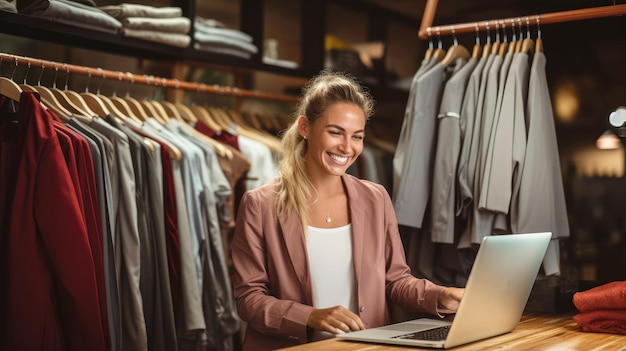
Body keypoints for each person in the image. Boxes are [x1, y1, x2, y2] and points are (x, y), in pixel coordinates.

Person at [231, 70, 464, 351]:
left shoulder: (375, 198)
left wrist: (439, 296)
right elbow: (249, 299)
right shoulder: (261, 204)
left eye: (357, 136)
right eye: (335, 132)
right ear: (305, 128)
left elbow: (396, 280)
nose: (347, 147)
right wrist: (311, 316)